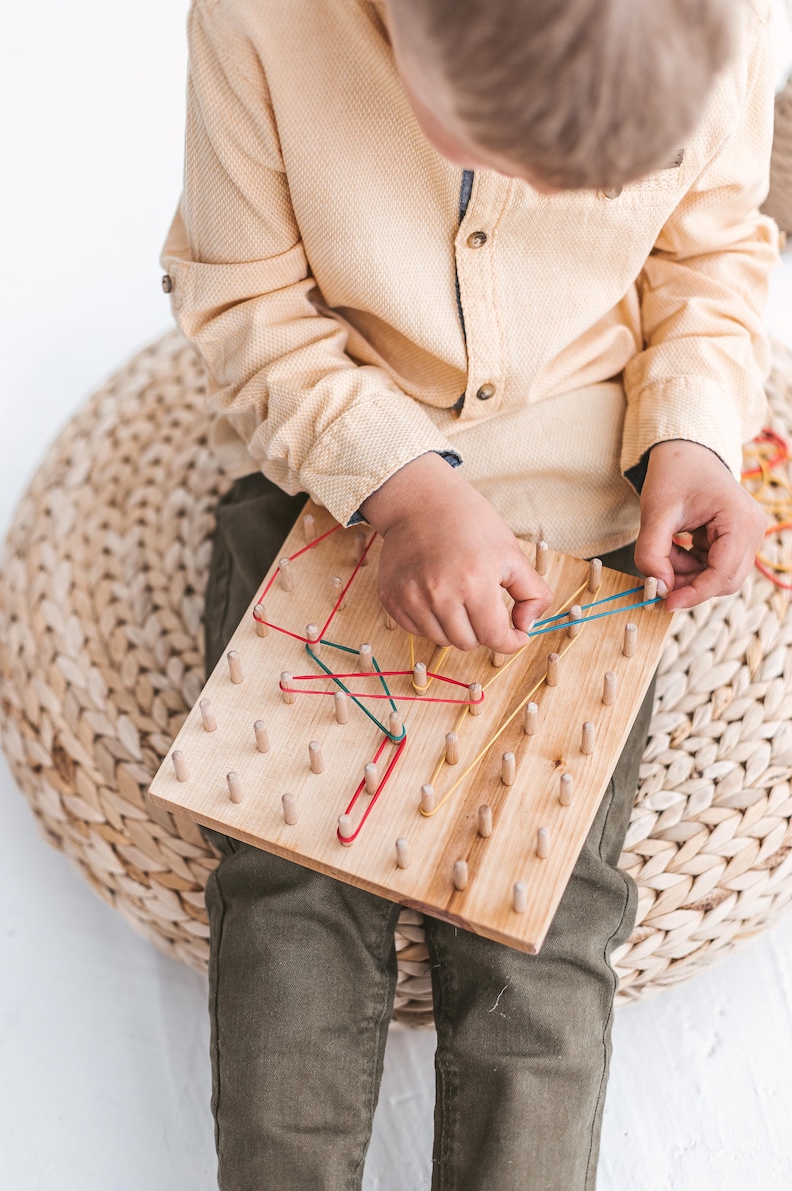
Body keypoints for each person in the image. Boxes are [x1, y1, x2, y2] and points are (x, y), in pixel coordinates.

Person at [160, 1, 779, 1186]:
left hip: (588, 516)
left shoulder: (719, 25)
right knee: (287, 896)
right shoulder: (256, 25)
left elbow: (708, 260)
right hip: (330, 488)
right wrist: (399, 492)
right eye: (490, 154)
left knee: (539, 931)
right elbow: (242, 301)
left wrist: (692, 440)